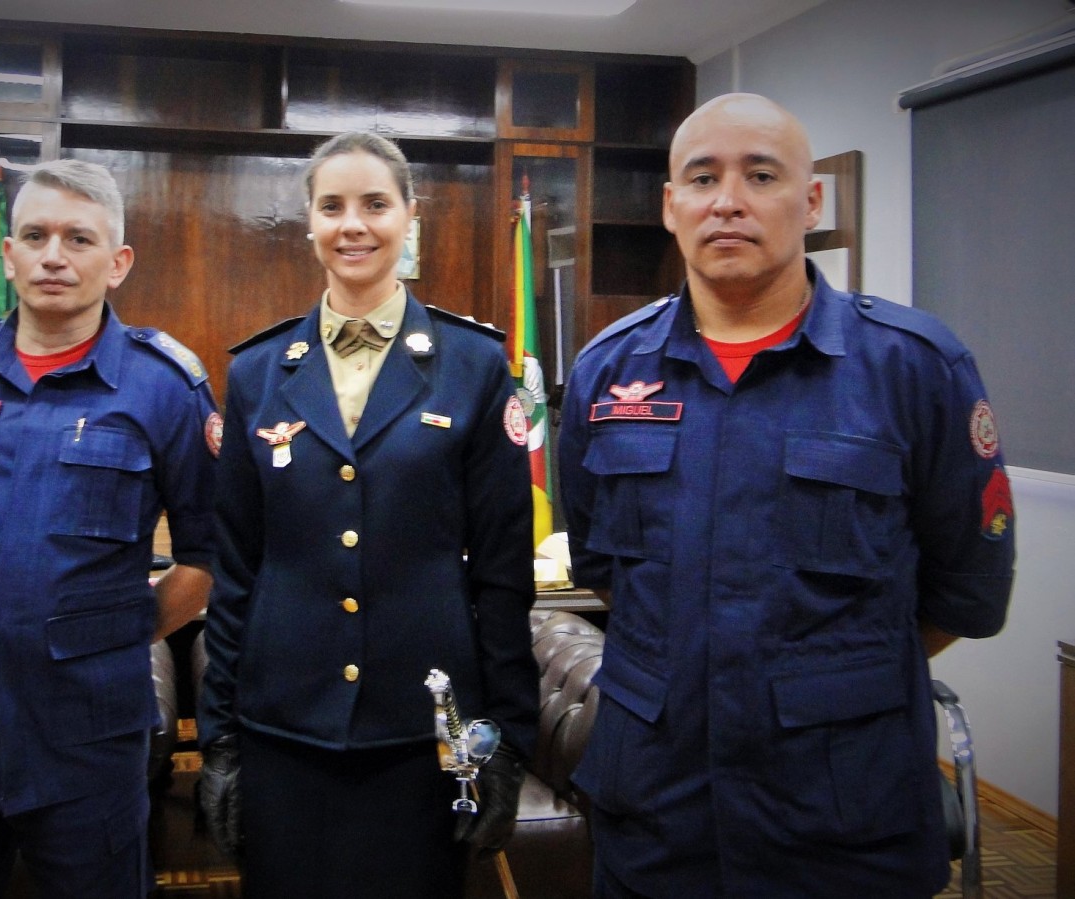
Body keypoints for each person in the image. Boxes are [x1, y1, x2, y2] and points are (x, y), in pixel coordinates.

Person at [557, 93, 1016, 898]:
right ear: (671, 207)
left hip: (841, 814)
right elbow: (601, 563)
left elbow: (966, 589)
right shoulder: (605, 372)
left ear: (809, 201)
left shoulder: (912, 367)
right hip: (659, 810)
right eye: (701, 178)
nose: (727, 199)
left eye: (759, 174)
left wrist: (824, 670)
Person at [196, 131, 540, 899]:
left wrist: (509, 740)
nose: (353, 224)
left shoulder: (475, 366)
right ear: (309, 222)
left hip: (423, 735)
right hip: (283, 727)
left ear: (409, 216)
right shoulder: (257, 372)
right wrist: (219, 737)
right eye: (332, 206)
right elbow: (236, 570)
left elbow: (501, 573)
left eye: (375, 204)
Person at [0, 158, 218, 898]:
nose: (54, 255)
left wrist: (113, 630)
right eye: (36, 234)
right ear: (9, 253)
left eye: (79, 238)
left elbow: (207, 556)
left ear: (117, 262)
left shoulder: (164, 387)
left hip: (86, 729)